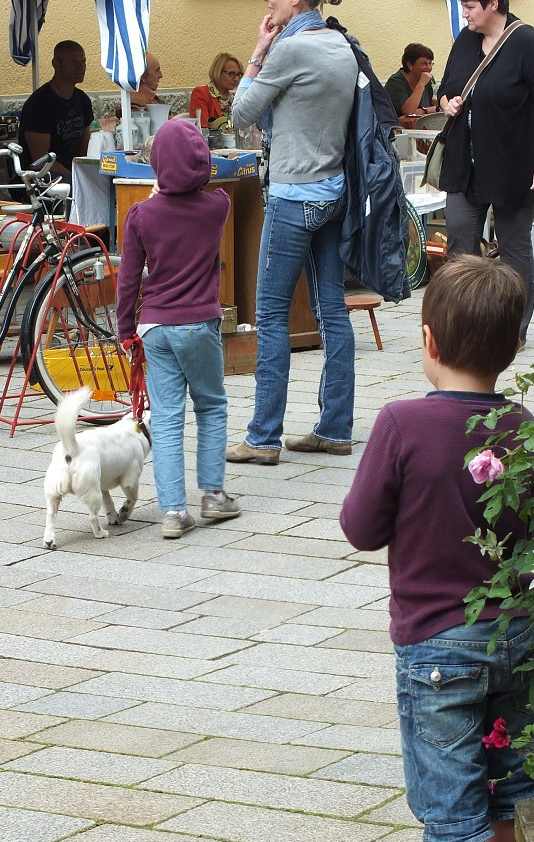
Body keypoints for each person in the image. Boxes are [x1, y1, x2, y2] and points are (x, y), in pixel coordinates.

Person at [340, 255, 534, 842]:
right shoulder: (521, 425)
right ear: (513, 349)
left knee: (450, 792)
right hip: (514, 632)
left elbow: (361, 528)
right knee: (508, 780)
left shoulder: (401, 422)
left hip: (435, 642)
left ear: (426, 340)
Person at [226, 0, 358, 466]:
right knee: (333, 313)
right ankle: (335, 429)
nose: (267, 3)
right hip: (335, 193)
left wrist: (259, 51)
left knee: (271, 315)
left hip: (293, 195)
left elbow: (241, 113)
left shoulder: (289, 50)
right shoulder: (341, 44)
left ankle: (262, 438)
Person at [115, 121, 240, 539]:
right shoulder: (217, 206)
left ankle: (172, 512)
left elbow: (128, 280)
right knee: (210, 405)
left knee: (166, 419)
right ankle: (213, 495)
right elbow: (216, 176)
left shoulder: (140, 215)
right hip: (199, 325)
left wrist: (124, 329)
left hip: (154, 327)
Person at [437, 0, 534, 346]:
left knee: (514, 246)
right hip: (466, 165)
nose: (465, 12)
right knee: (460, 241)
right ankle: (460, 323)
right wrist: (449, 103)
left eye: (471, 5)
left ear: (493, 4)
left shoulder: (526, 43)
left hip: (513, 164)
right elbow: (445, 89)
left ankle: (513, 329)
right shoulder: (465, 41)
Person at [18, 40, 93, 179]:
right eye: (74, 62)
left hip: (74, 173)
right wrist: (75, 178)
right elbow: (41, 161)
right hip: (43, 179)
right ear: (56, 64)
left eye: (83, 61)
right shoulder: (38, 104)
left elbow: (84, 150)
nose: (81, 67)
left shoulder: (83, 100)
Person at [384, 44, 437, 122]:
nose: (429, 68)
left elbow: (438, 107)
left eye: (430, 63)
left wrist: (423, 111)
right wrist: (421, 84)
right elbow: (409, 111)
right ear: (410, 65)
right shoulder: (395, 82)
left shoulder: (429, 79)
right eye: (424, 64)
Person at [190, 53, 244, 130]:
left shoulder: (235, 98)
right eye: (231, 73)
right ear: (218, 72)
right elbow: (202, 129)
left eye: (239, 75)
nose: (236, 79)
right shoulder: (201, 93)